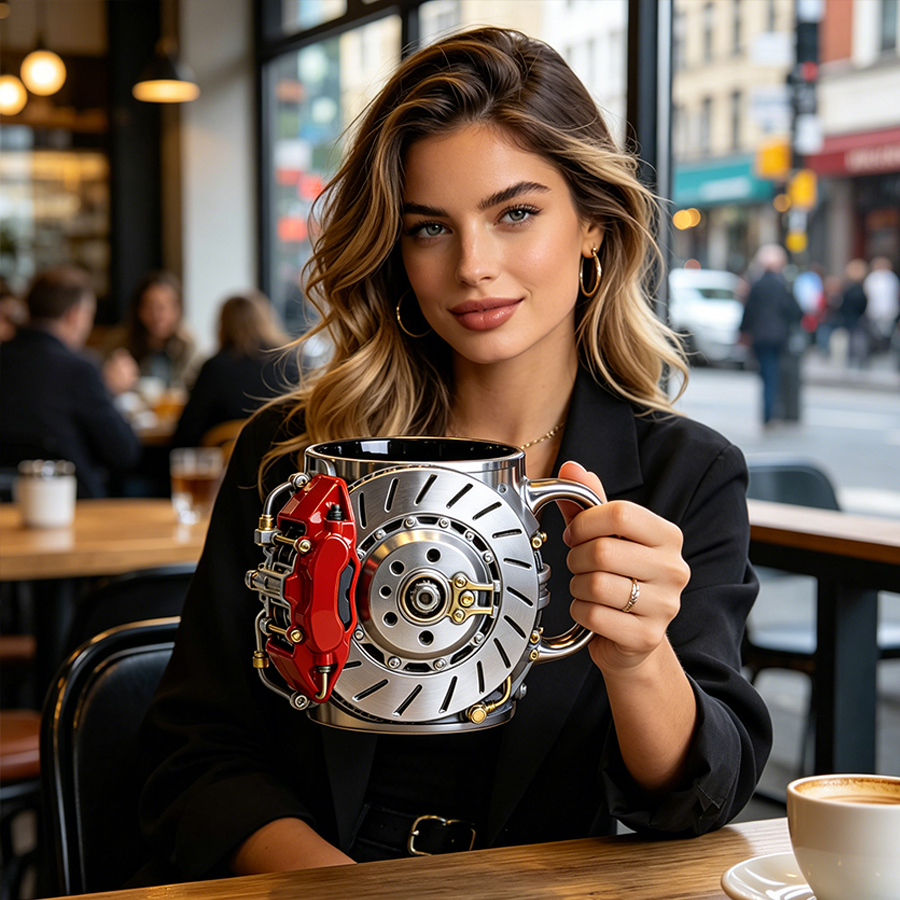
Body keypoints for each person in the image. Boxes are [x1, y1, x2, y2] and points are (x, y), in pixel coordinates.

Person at [138, 28, 771, 885]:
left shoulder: (681, 475)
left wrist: (638, 659)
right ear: (396, 252)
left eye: (516, 213)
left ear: (592, 224)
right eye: (430, 227)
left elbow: (701, 798)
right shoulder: (294, 462)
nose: (473, 266)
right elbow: (194, 753)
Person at [0, 267, 141, 498]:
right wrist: (111, 393)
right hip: (69, 506)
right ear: (75, 315)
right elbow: (123, 452)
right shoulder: (78, 369)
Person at [171, 291, 296, 449]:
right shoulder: (292, 364)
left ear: (223, 325)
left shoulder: (216, 367)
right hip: (284, 464)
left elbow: (187, 432)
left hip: (227, 468)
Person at [739, 245, 803, 426]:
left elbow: (748, 312)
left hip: (760, 337)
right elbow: (795, 311)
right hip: (778, 337)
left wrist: (743, 332)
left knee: (767, 374)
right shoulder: (783, 285)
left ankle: (768, 412)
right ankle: (771, 412)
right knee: (773, 374)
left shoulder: (757, 284)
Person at [105, 270, 200, 390]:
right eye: (150, 306)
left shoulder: (188, 346)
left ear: (177, 310)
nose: (157, 316)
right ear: (139, 309)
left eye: (163, 308)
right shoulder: (119, 342)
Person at [863, 257, 900, 353]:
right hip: (876, 310)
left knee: (887, 333)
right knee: (875, 333)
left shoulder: (891, 278)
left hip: (888, 310)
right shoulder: (872, 278)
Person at [839, 259, 869, 368]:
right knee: (858, 339)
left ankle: (854, 359)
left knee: (855, 340)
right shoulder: (859, 288)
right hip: (856, 317)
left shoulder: (850, 289)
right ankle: (858, 360)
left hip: (851, 317)